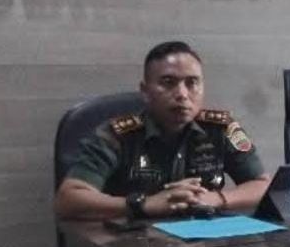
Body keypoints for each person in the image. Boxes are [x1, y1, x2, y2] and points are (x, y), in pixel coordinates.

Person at [54, 41, 269, 220]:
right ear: (145, 91)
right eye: (168, 82)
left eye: (192, 83)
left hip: (205, 242)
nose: (182, 94)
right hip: (132, 245)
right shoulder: (116, 135)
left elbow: (262, 185)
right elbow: (68, 201)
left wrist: (216, 199)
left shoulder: (221, 128)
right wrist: (143, 204)